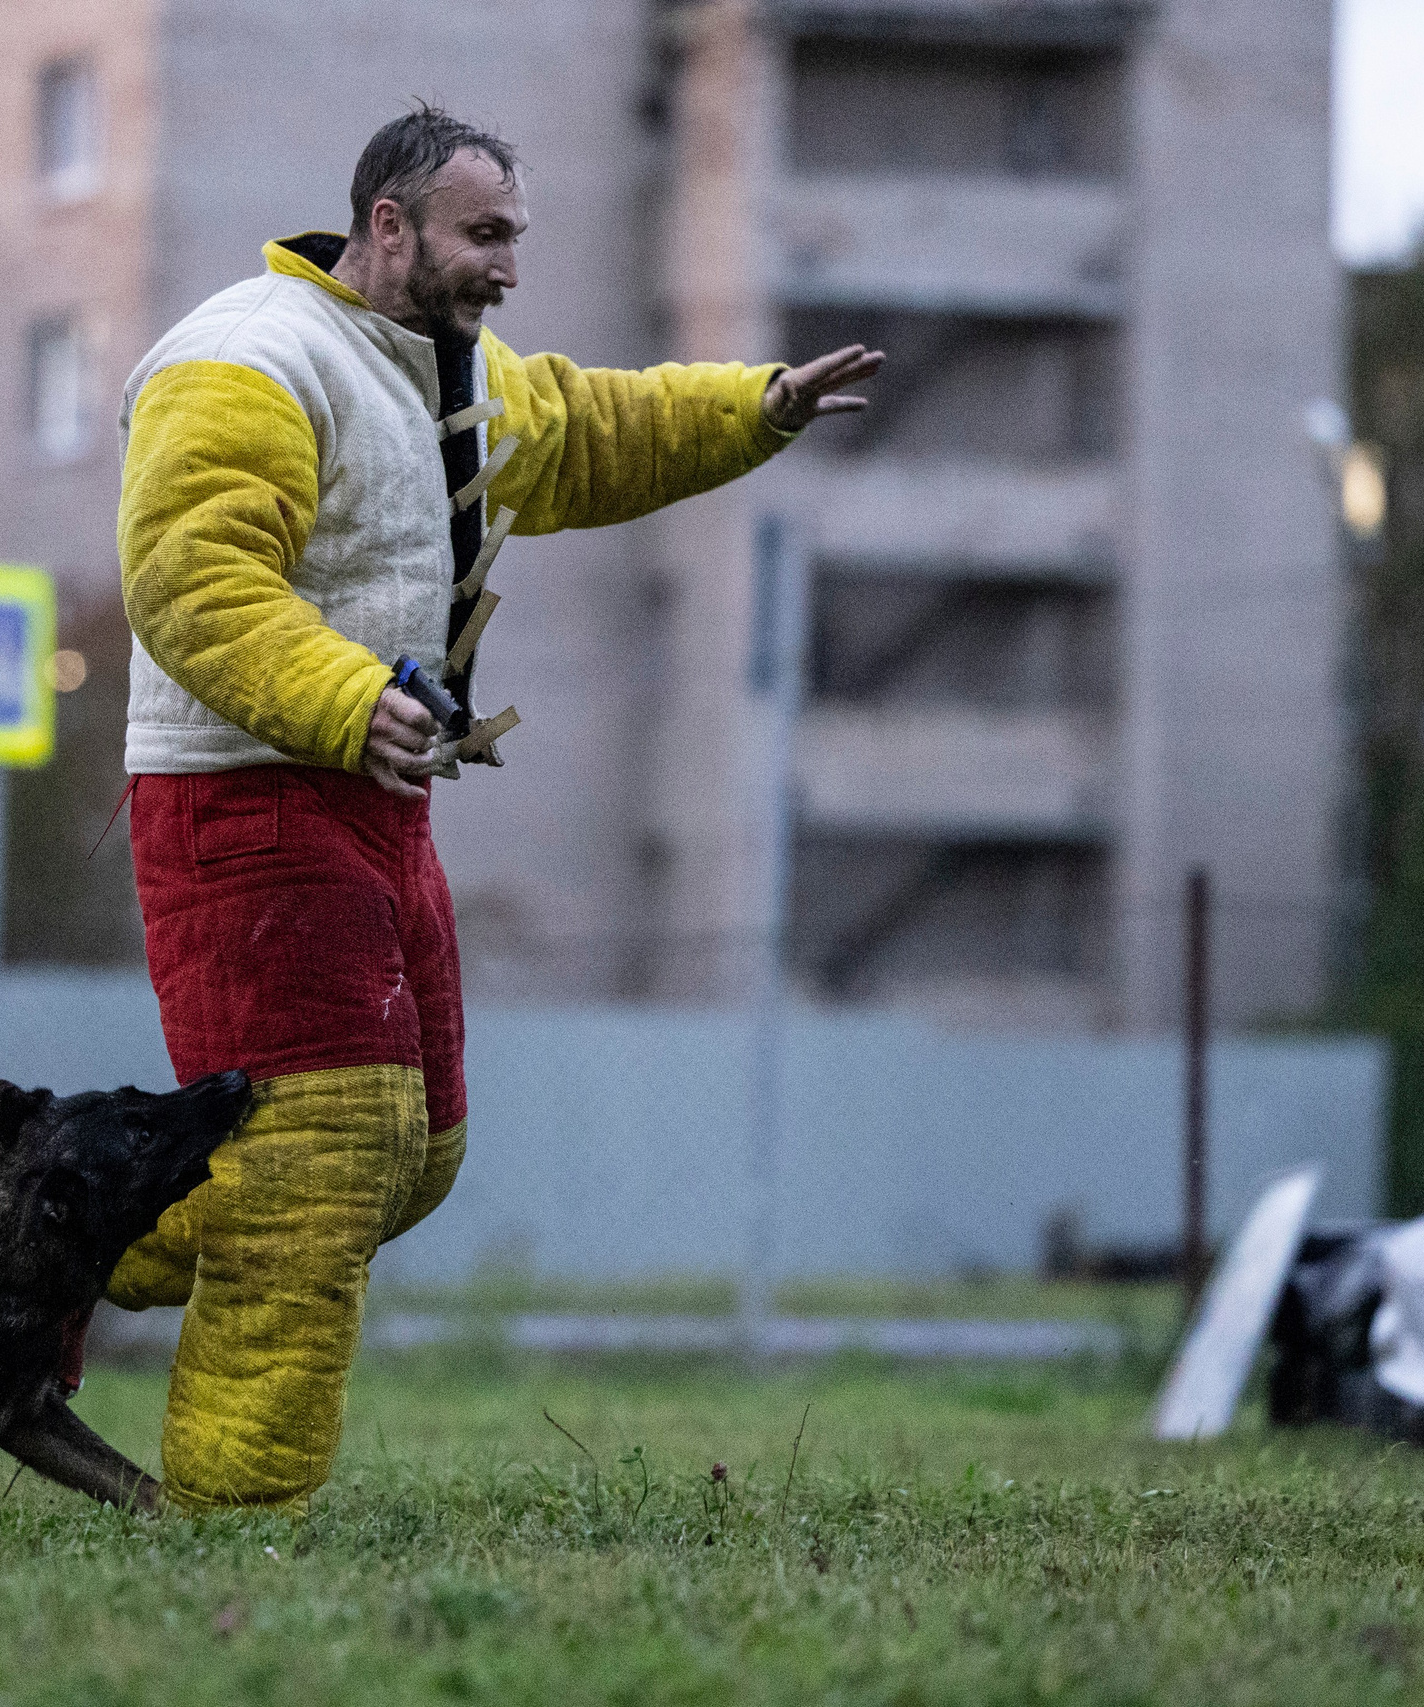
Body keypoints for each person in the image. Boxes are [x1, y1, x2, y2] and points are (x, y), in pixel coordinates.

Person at [103, 104, 881, 1511]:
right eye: (487, 237)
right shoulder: (243, 361)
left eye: (516, 237)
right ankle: (233, 1524)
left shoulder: (449, 374)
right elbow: (190, 584)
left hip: (377, 798)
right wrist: (347, 699)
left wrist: (753, 407)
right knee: (326, 1160)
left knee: (418, 1154)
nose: (510, 269)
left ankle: (19, 1248)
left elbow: (588, 431)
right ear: (387, 225)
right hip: (245, 798)